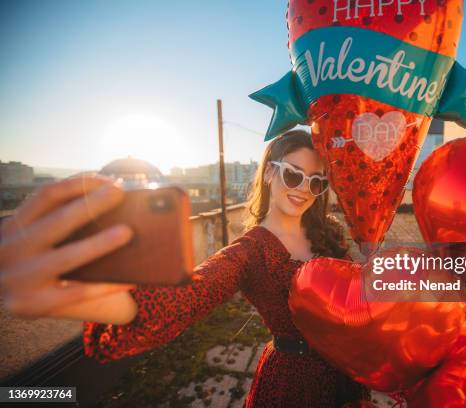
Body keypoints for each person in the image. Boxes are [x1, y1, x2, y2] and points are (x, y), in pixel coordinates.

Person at [0, 130, 371, 407]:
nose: (304, 189)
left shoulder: (328, 233)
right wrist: (78, 291)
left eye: (317, 183)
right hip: (293, 385)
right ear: (270, 173)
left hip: (346, 373)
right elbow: (189, 294)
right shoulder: (251, 249)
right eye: (293, 175)